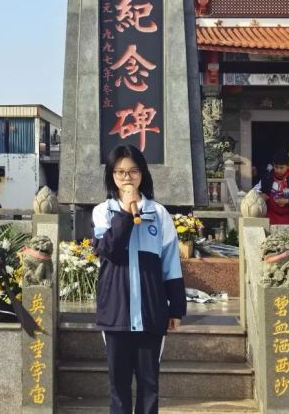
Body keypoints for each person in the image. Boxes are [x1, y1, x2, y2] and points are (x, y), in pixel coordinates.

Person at [92, 144, 186, 414]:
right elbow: (110, 251)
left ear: (142, 174)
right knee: (118, 386)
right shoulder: (103, 212)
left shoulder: (159, 214)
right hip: (116, 312)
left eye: (133, 171)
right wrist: (126, 212)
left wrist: (176, 308)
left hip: (151, 312)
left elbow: (171, 264)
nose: (127, 178)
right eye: (120, 172)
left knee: (149, 384)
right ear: (112, 175)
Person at [253, 151, 289, 224]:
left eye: (281, 168)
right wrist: (261, 195)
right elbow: (254, 191)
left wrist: (287, 201)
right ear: (273, 165)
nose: (278, 170)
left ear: (287, 166)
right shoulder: (267, 177)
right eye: (276, 167)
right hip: (269, 217)